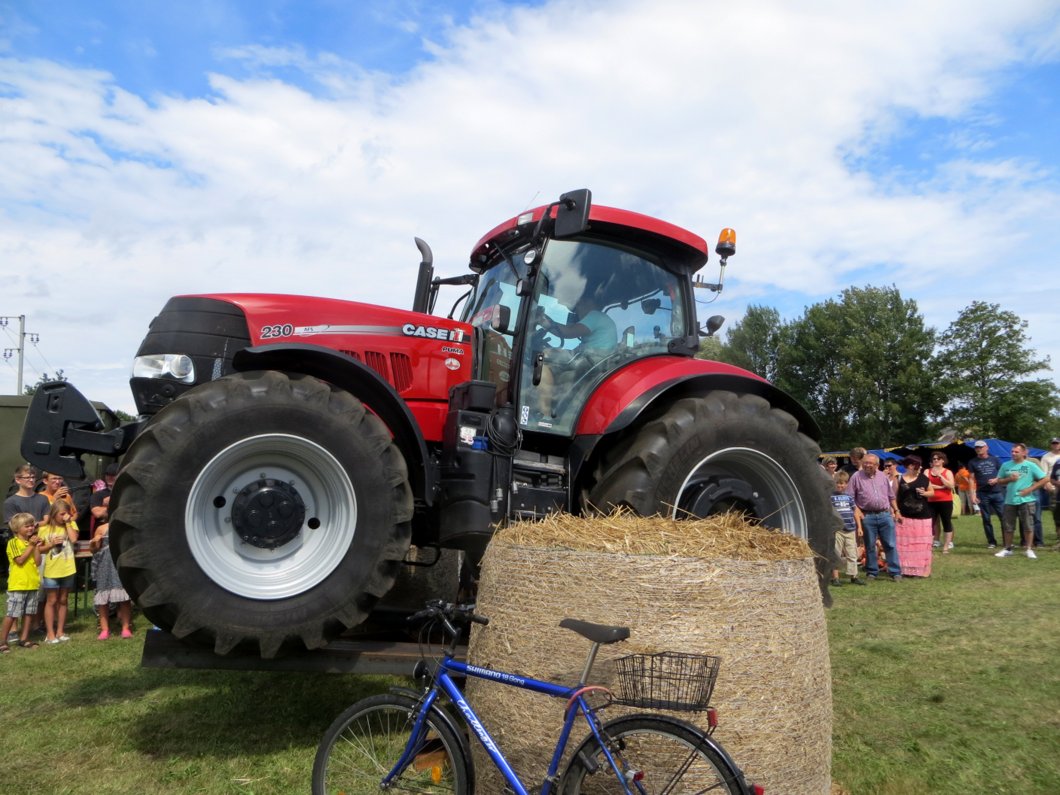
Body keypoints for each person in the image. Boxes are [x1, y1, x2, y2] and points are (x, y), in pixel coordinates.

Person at [535, 293, 618, 416]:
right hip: (598, 361)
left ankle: (545, 414)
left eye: (577, 308)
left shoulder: (594, 315)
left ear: (586, 303)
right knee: (554, 355)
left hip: (593, 360)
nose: (577, 313)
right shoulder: (604, 321)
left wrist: (543, 322)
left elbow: (568, 332)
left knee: (542, 359)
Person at [847, 453, 902, 580]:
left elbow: (891, 496)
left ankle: (895, 571)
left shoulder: (882, 476)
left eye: (870, 463)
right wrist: (857, 510)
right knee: (870, 545)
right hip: (867, 516)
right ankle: (872, 571)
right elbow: (850, 497)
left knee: (890, 544)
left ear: (877, 465)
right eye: (865, 462)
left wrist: (896, 510)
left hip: (885, 515)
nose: (867, 465)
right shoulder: (856, 477)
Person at [994, 443, 1048, 559]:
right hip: (1010, 500)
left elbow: (1045, 479)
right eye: (1012, 451)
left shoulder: (1030, 465)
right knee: (1008, 526)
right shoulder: (1006, 465)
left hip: (1027, 500)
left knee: (1028, 526)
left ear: (1024, 453)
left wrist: (1030, 489)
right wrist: (1010, 479)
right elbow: (999, 481)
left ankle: (1028, 549)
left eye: (1016, 452)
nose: (1013, 453)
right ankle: (1008, 548)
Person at [37, 498, 79, 643]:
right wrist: (50, 544)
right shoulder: (44, 529)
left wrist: (68, 522)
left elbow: (73, 539)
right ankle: (50, 634)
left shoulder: (71, 524)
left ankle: (60, 631)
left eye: (66, 514)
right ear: (54, 514)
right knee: (51, 600)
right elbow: (39, 549)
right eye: (62, 514)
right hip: (51, 569)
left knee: (63, 599)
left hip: (67, 568)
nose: (65, 516)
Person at [1, 513, 43, 652]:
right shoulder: (13, 543)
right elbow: (19, 560)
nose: (31, 528)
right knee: (12, 614)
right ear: (17, 529)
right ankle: (2, 641)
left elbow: (38, 562)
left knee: (29, 613)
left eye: (32, 525)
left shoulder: (30, 543)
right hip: (18, 585)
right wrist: (31, 546)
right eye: (27, 526)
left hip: (32, 583)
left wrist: (36, 546)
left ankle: (24, 638)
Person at [90, 513, 133, 640]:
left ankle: (125, 627)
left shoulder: (124, 527)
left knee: (124, 598)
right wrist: (95, 541)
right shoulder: (101, 528)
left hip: (119, 563)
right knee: (103, 599)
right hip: (104, 565)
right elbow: (94, 550)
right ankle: (104, 629)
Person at [894, 456, 934, 577]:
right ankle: (905, 569)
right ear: (910, 466)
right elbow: (894, 497)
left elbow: (932, 492)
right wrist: (896, 511)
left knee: (920, 544)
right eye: (918, 465)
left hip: (923, 517)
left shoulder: (924, 478)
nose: (920, 468)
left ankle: (921, 570)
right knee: (905, 545)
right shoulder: (899, 479)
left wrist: (925, 493)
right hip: (904, 517)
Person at [830, 471, 864, 586]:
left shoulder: (849, 497)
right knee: (836, 554)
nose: (840, 486)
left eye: (843, 484)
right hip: (838, 530)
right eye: (838, 483)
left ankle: (854, 576)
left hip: (850, 529)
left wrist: (859, 527)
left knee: (852, 554)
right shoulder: (831, 497)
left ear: (847, 484)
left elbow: (855, 512)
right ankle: (835, 578)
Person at [967, 441, 1004, 548]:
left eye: (981, 447)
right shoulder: (972, 462)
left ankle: (1007, 541)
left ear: (986, 447)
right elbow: (971, 479)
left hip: (997, 492)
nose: (978, 449)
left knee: (1003, 517)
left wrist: (996, 479)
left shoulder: (995, 459)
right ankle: (991, 542)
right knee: (986, 519)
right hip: (982, 493)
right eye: (976, 448)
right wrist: (972, 495)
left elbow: (1003, 473)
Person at [926, 452, 956, 552]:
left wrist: (941, 477)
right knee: (930, 523)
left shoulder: (947, 472)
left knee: (946, 522)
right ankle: (930, 544)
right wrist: (941, 487)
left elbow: (951, 486)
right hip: (930, 500)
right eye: (934, 459)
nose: (935, 460)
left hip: (945, 501)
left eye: (938, 459)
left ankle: (946, 546)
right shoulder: (927, 471)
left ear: (943, 460)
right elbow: (926, 484)